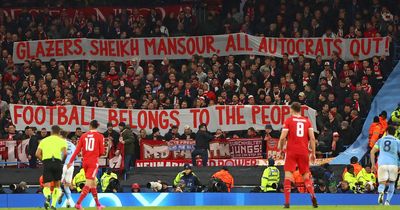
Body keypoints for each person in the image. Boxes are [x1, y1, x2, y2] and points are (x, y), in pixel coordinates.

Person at [278, 102, 318, 208]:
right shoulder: (307, 121)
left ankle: (287, 202)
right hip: (304, 152)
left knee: (288, 176)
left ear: (291, 110)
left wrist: (281, 149)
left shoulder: (289, 120)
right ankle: (313, 196)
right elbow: (312, 138)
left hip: (291, 151)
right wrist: (313, 153)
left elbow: (282, 138)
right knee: (306, 176)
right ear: (300, 110)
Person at [67, 120, 105, 210]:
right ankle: (78, 204)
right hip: (93, 162)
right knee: (88, 183)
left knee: (93, 184)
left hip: (85, 162)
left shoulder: (83, 136)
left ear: (90, 126)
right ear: (97, 126)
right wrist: (96, 155)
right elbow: (102, 152)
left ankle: (98, 205)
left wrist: (70, 161)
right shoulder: (100, 136)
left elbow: (77, 150)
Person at [35, 125, 67, 210]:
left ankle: (48, 196)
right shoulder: (62, 141)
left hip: (47, 162)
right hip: (57, 162)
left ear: (51, 131)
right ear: (59, 132)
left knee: (47, 185)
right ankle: (53, 205)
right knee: (57, 185)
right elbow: (65, 153)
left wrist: (44, 161)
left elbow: (37, 154)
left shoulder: (44, 140)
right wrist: (62, 162)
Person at [370, 125, 400, 205]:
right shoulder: (397, 141)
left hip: (382, 164)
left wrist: (373, 164)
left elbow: (372, 152)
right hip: (394, 164)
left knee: (382, 182)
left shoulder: (380, 140)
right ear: (394, 133)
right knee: (392, 183)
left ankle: (381, 194)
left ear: (386, 132)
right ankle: (387, 202)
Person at [60, 130, 76, 208]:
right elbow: (75, 157)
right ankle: (69, 201)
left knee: (58, 182)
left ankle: (60, 193)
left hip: (63, 165)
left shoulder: (59, 144)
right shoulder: (72, 145)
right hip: (71, 166)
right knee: (66, 185)